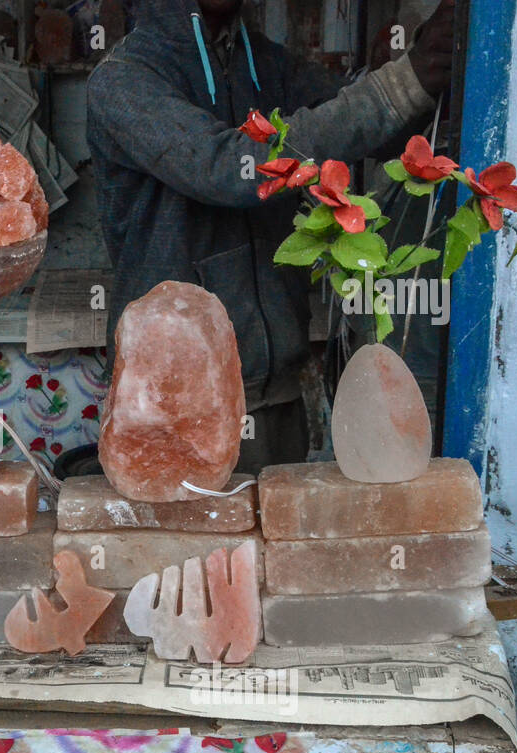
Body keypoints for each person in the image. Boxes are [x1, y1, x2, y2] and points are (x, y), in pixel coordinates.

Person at [87, 0, 455, 471]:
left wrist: (420, 64)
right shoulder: (123, 78)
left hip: (276, 391)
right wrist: (403, 84)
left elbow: (372, 132)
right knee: (190, 546)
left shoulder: (262, 62)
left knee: (275, 539)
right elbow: (227, 168)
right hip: (174, 404)